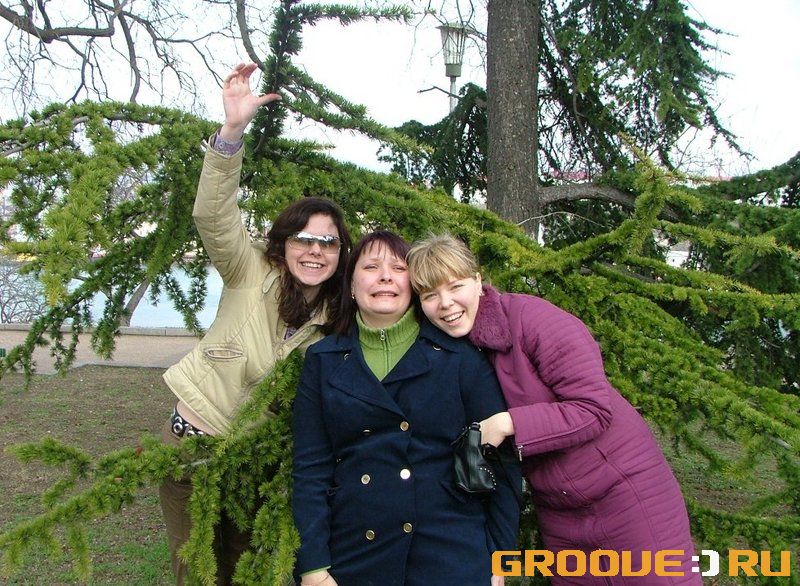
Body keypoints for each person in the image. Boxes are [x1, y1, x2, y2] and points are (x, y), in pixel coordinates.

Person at [407, 234, 701, 586]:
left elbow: (594, 409)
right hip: (559, 510)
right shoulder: (451, 353)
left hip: (627, 495)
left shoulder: (532, 319)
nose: (445, 303)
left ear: (478, 280)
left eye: (455, 286)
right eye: (430, 295)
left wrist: (508, 423)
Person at [159, 63, 352, 585]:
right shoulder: (248, 271)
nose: (314, 251)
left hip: (257, 466)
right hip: (192, 447)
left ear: (341, 253)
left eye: (328, 242)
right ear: (283, 244)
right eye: (303, 239)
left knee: (245, 572)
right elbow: (213, 216)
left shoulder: (338, 319)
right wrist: (231, 132)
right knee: (197, 573)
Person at [292, 231, 521, 586]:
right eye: (371, 267)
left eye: (398, 268)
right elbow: (310, 468)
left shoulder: (461, 357)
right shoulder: (323, 360)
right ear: (350, 286)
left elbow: (502, 464)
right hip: (354, 553)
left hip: (451, 552)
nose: (385, 276)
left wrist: (502, 561)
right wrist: (313, 567)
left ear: (412, 286)